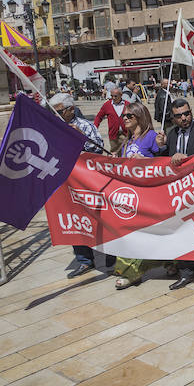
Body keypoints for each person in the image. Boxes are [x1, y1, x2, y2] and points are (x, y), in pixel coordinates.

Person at [153, 99, 194, 289]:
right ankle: (187, 272)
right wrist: (162, 148)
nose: (184, 118)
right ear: (172, 118)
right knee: (183, 231)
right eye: (179, 115)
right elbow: (165, 162)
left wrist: (187, 159)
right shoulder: (171, 134)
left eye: (187, 113)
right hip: (179, 192)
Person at [50, 92, 112, 278]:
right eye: (54, 111)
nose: (57, 114)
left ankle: (112, 252)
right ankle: (84, 260)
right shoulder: (54, 126)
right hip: (65, 182)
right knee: (74, 219)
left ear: (70, 109)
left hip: (87, 181)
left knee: (101, 217)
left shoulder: (85, 125)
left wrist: (82, 138)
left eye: (59, 111)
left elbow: (100, 151)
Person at [113, 103, 165, 290]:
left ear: (140, 116)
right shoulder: (128, 141)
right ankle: (129, 272)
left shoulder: (151, 136)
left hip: (150, 195)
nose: (125, 118)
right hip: (133, 195)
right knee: (132, 234)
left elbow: (163, 161)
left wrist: (154, 152)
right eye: (124, 116)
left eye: (129, 116)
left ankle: (170, 262)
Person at [93, 87, 128, 155]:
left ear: (121, 95)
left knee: (125, 152)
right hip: (113, 133)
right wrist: (94, 127)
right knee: (113, 152)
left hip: (126, 133)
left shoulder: (127, 104)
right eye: (112, 96)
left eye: (115, 96)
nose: (113, 98)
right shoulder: (107, 105)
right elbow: (99, 117)